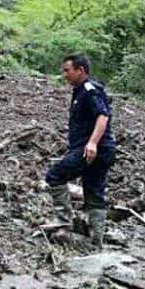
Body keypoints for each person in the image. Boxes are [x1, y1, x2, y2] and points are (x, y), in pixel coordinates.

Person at [44, 54, 116, 248]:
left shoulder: (90, 90)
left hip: (93, 149)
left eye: (67, 70)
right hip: (100, 149)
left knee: (55, 175)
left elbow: (103, 116)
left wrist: (92, 143)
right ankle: (96, 241)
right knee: (94, 191)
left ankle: (63, 219)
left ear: (81, 70)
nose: (64, 74)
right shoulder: (80, 90)